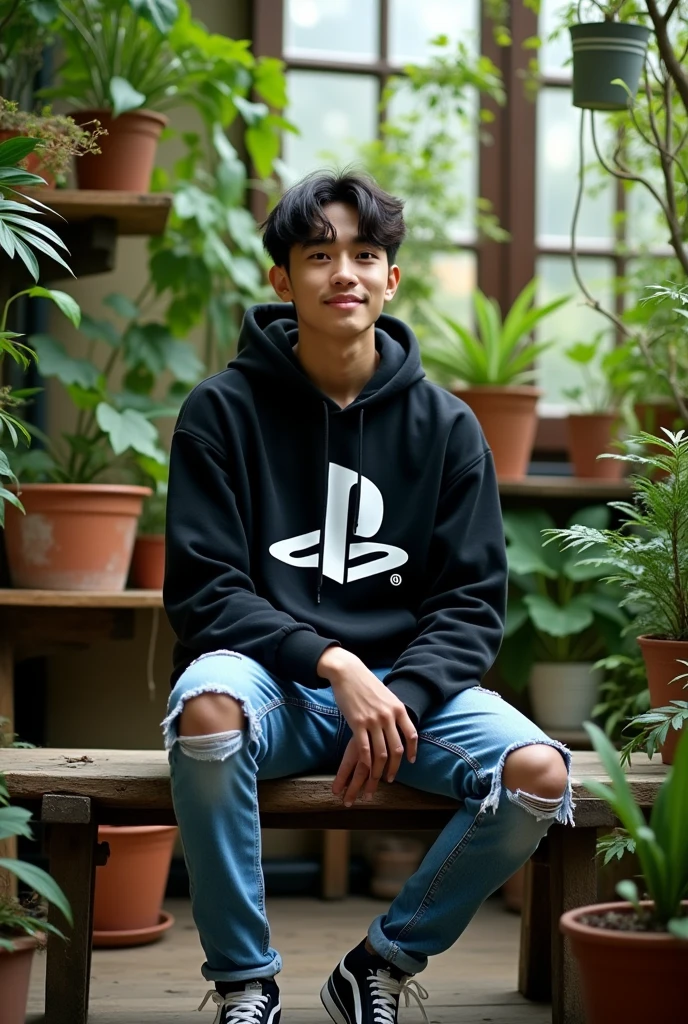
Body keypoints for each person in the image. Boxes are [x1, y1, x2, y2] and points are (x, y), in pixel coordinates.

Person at [160, 170, 572, 1024]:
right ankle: (245, 981)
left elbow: (470, 605)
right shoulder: (219, 413)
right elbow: (205, 590)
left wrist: (401, 693)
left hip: (403, 702)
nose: (343, 271)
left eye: (365, 253)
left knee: (538, 773)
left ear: (391, 278)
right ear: (282, 280)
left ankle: (380, 961)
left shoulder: (450, 428)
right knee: (204, 711)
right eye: (319, 254)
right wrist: (331, 660)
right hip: (270, 686)